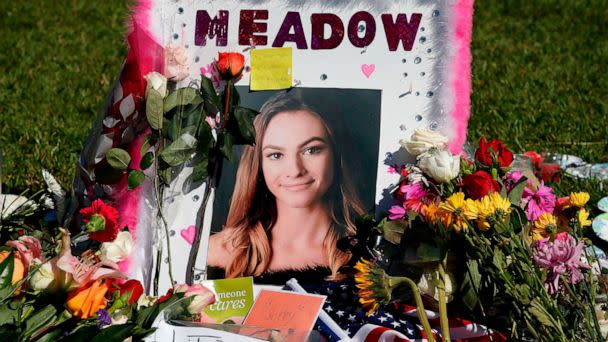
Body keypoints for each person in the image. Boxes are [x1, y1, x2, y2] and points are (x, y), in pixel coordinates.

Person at [207, 91, 365, 283]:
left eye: (311, 150)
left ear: (336, 155)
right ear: (258, 165)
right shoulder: (216, 253)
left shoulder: (367, 256)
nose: (295, 170)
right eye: (276, 155)